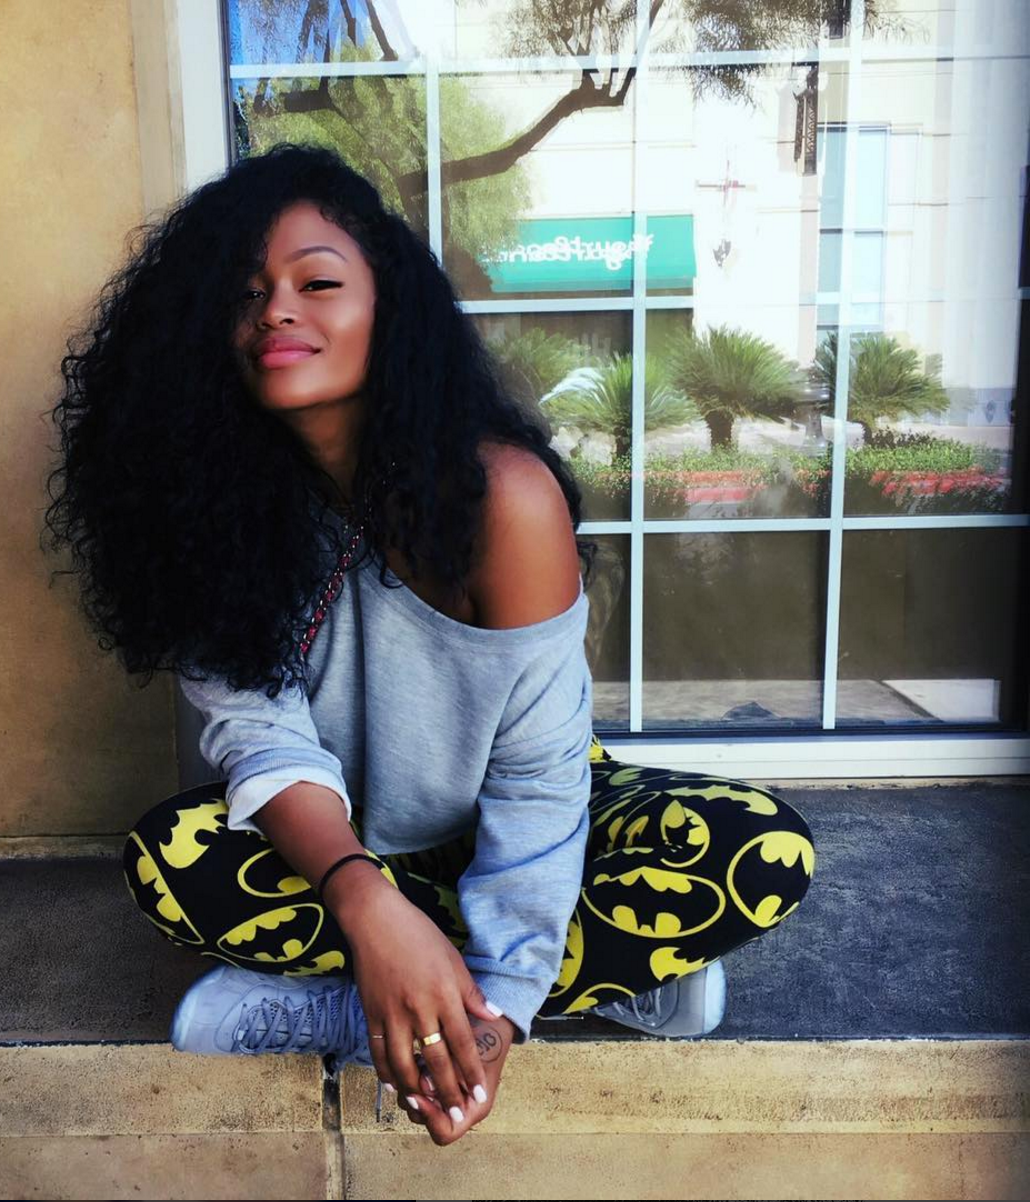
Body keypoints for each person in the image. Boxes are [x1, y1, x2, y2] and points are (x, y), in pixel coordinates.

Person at [44, 142, 817, 1149]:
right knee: (167, 858)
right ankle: (513, 982)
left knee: (757, 846)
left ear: (390, 306)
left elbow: (538, 783)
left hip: (520, 815)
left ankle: (392, 1005)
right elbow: (259, 735)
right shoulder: (198, 513)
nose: (275, 310)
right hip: (345, 842)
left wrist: (500, 1011)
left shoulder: (502, 498)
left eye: (318, 282)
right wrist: (366, 904)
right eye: (245, 293)